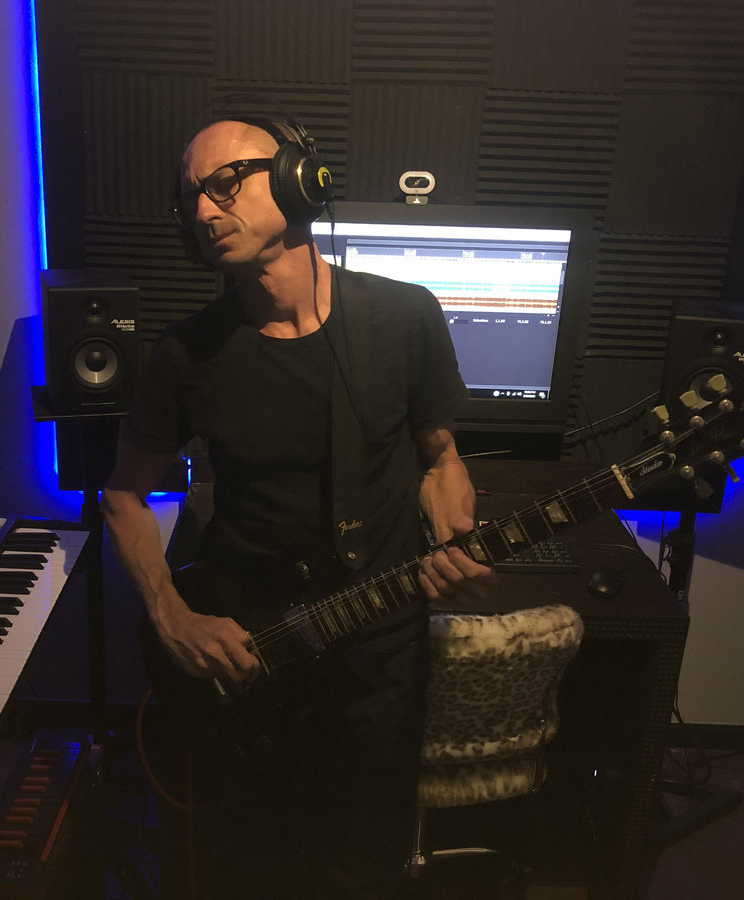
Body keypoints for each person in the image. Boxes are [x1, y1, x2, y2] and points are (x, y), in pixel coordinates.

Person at [100, 111, 498, 899]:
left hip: (379, 654)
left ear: (298, 179)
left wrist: (456, 534)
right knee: (253, 866)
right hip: (254, 661)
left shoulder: (406, 317)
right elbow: (122, 496)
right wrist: (172, 615)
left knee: (363, 868)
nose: (204, 210)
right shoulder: (184, 354)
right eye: (190, 198)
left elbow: (440, 459)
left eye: (225, 184)